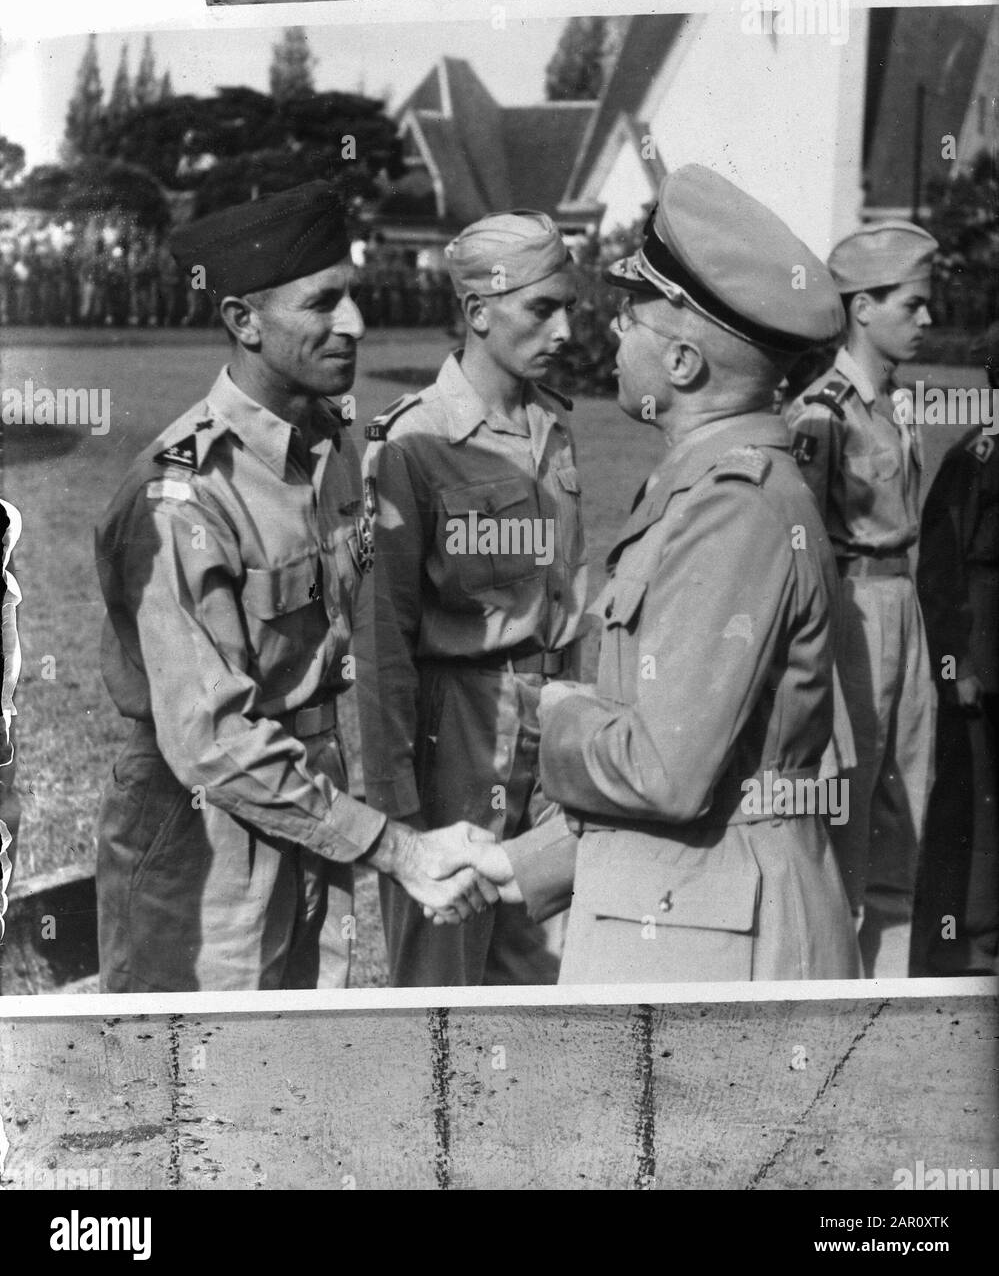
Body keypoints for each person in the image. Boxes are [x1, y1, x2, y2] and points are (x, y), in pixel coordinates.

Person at [440, 166, 860, 985]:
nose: (612, 331)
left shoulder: (732, 510)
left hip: (714, 938)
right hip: (689, 912)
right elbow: (708, 768)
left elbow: (667, 774)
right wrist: (521, 867)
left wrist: (554, 712)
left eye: (632, 316)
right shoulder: (709, 489)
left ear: (680, 363)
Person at [94, 181, 496, 994]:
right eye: (322, 305)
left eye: (349, 298)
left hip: (306, 805)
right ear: (243, 321)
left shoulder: (329, 443)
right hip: (201, 841)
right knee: (198, 1091)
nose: (352, 324)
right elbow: (211, 743)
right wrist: (401, 849)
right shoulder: (182, 497)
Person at [356, 210, 589, 986]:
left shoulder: (553, 427)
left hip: (550, 722)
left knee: (544, 975)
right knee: (441, 978)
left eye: (568, 307)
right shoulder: (412, 444)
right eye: (541, 308)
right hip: (455, 731)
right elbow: (382, 635)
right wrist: (398, 805)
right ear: (478, 312)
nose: (562, 328)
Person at [784, 220, 938, 978]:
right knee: (846, 804)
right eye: (911, 305)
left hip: (902, 609)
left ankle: (890, 988)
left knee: (907, 803)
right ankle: (837, 989)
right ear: (862, 306)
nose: (926, 319)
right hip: (851, 608)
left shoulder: (896, 404)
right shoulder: (824, 411)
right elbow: (802, 544)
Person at [911, 325, 999, 976]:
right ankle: (966, 940)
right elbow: (940, 569)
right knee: (972, 803)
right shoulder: (976, 456)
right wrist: (957, 664)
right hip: (980, 662)